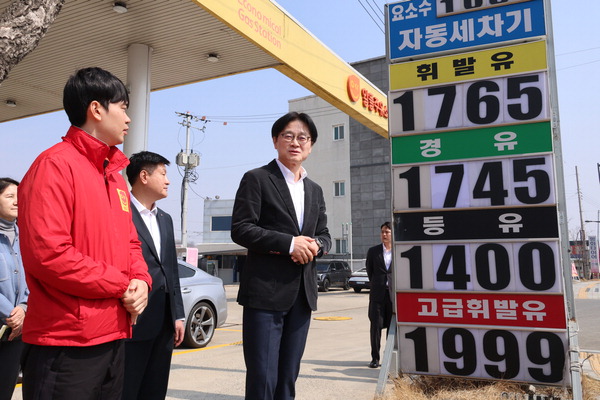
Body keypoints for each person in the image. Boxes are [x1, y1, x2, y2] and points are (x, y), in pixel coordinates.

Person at [18, 67, 152, 399]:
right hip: (65, 342)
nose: (128, 118)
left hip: (113, 335)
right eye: (123, 107)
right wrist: (122, 284)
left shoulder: (114, 176)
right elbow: (49, 255)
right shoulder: (54, 165)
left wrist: (141, 280)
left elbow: (131, 242)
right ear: (96, 109)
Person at [231, 111, 331, 400]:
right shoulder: (257, 179)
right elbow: (241, 229)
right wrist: (289, 244)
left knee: (288, 377)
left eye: (303, 138)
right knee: (263, 378)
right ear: (275, 140)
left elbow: (324, 234)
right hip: (265, 295)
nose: (295, 142)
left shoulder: (314, 189)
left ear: (311, 145)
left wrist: (315, 246)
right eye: (288, 136)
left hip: (302, 296)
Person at [124, 151, 185, 400]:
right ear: (144, 176)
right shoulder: (120, 213)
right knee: (127, 388)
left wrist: (178, 314)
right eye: (163, 174)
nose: (168, 181)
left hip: (164, 322)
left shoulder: (165, 219)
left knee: (155, 389)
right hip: (133, 320)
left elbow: (171, 270)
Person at [0, 178, 28, 400]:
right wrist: (11, 313)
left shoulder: (26, 236)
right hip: (9, 320)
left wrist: (24, 308)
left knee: (6, 388)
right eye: (10, 196)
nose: (17, 202)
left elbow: (31, 279)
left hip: (15, 332)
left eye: (20, 197)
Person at [366, 222, 393, 369]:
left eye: (387, 232)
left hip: (392, 295)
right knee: (375, 327)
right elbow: (370, 272)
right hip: (377, 295)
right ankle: (374, 358)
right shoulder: (373, 251)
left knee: (392, 328)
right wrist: (378, 284)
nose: (384, 234)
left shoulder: (399, 250)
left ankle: (389, 358)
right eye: (382, 232)